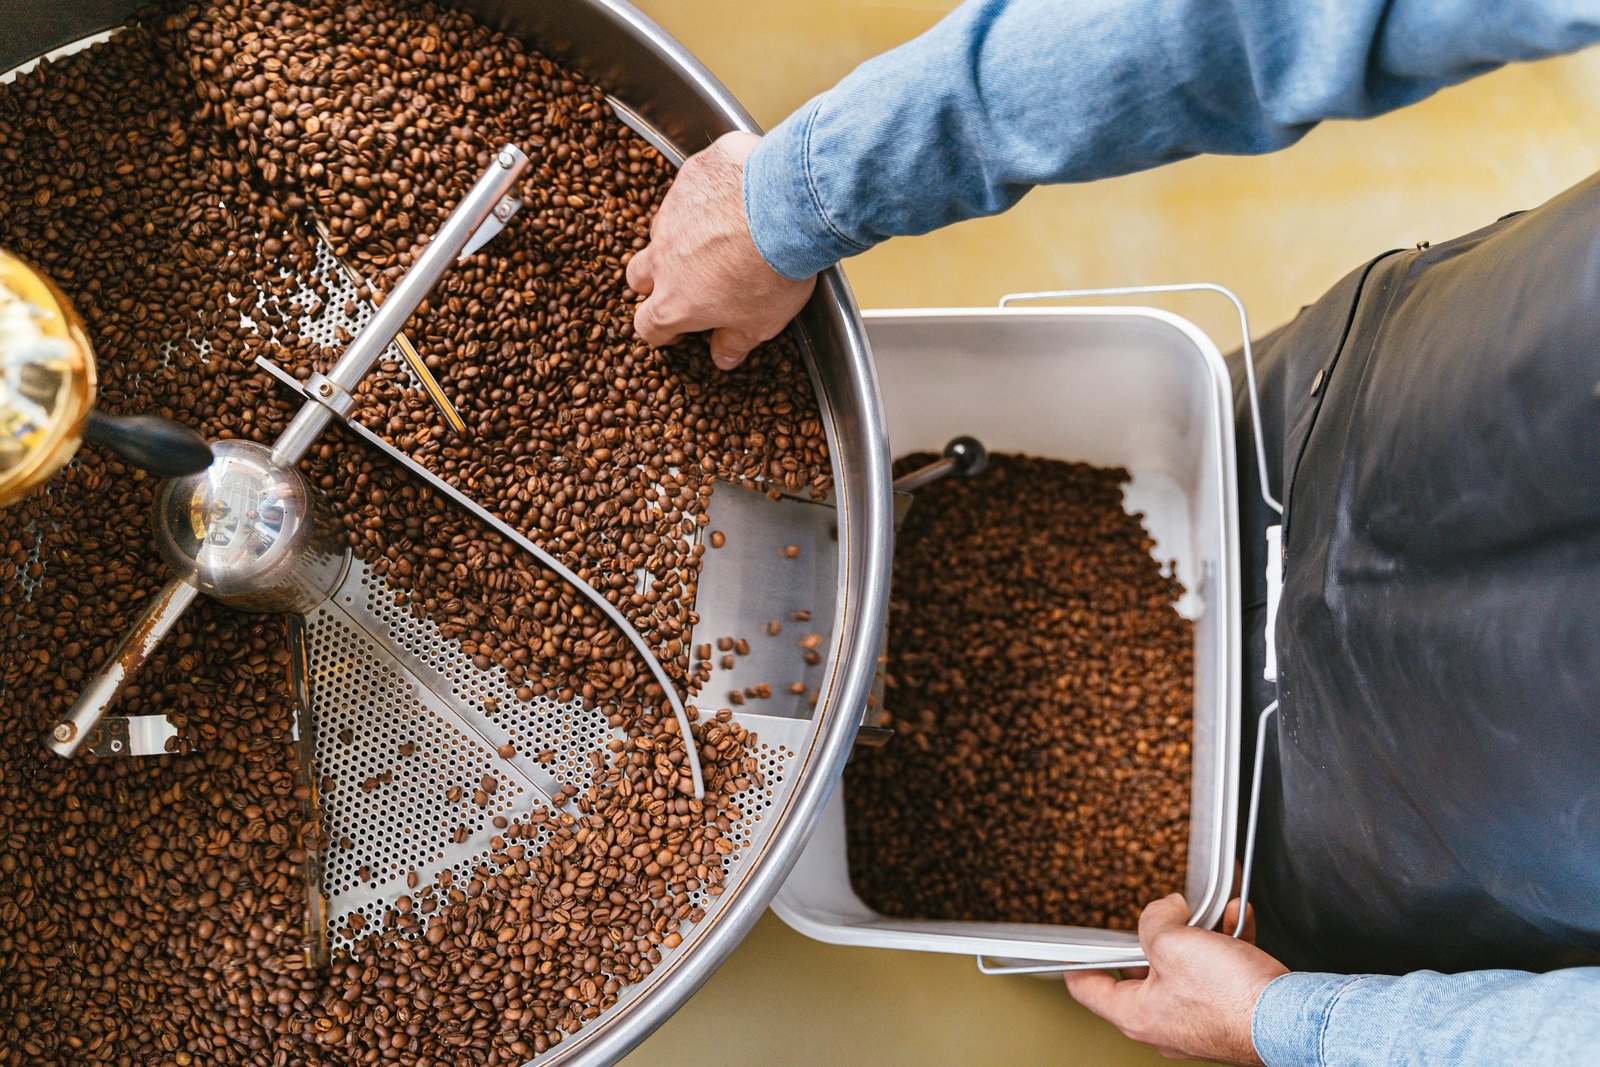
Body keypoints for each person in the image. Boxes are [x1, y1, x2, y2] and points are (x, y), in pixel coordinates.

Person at [627, 1, 1600, 1063]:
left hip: (1393, 846)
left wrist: (1295, 1023)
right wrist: (800, 191)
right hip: (1349, 409)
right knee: (1247, 443)